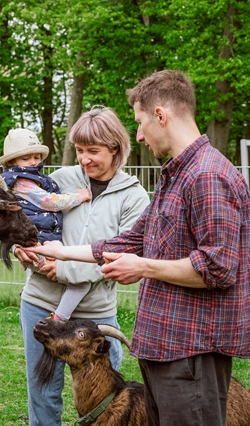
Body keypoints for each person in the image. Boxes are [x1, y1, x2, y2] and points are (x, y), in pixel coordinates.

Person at [22, 70, 250, 426]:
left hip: (190, 352)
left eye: (141, 123)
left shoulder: (207, 176)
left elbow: (218, 267)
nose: (139, 135)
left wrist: (143, 267)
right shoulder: (175, 177)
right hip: (162, 351)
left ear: (161, 115)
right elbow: (126, 242)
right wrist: (53, 250)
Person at [13, 108, 150, 426]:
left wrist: (62, 270)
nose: (84, 159)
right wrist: (20, 248)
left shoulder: (134, 197)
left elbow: (117, 256)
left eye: (93, 151)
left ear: (115, 149)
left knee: (106, 399)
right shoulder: (60, 181)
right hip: (41, 303)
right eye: (79, 150)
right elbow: (28, 222)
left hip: (96, 315)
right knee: (43, 390)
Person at [0, 128, 91, 321]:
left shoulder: (31, 178)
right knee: (81, 282)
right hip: (40, 240)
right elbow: (49, 202)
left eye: (36, 157)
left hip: (39, 239)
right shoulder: (22, 182)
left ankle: (29, 292)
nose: (33, 162)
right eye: (27, 158)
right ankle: (60, 317)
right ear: (12, 162)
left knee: (42, 266)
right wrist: (78, 197)